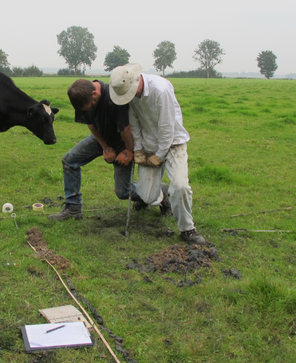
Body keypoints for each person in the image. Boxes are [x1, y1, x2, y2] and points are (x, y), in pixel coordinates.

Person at [109, 63, 206, 245]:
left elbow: (167, 126)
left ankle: (188, 229)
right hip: (148, 144)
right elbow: (134, 123)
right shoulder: (129, 95)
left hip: (173, 143)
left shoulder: (160, 90)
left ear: (136, 80)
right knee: (146, 196)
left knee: (180, 186)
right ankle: (161, 193)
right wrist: (138, 149)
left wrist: (160, 155)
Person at [48, 78, 136, 220]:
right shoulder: (81, 98)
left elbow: (126, 129)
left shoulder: (114, 97)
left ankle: (156, 193)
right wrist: (105, 147)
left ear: (94, 93)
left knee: (123, 192)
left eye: (91, 105)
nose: (88, 109)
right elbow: (91, 125)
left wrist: (128, 151)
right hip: (101, 136)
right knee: (69, 160)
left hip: (123, 141)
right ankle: (73, 209)